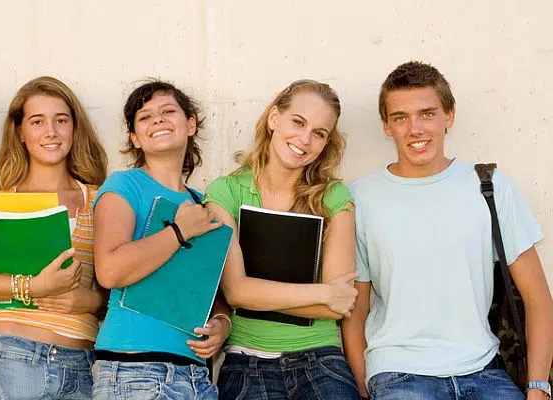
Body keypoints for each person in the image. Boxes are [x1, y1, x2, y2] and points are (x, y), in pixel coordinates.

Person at [346, 60, 553, 400]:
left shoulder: (489, 186)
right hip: (398, 375)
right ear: (387, 125)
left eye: (427, 113)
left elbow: (538, 298)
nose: (415, 128)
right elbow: (356, 310)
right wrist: (362, 386)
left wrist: (538, 387)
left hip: (484, 373)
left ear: (449, 116)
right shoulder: (361, 197)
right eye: (400, 117)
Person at [0, 76, 109, 399]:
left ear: (75, 127)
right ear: (20, 131)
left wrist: (92, 301)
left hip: (83, 366)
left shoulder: (102, 201)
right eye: (37, 121)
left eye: (61, 120)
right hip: (13, 360)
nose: (51, 132)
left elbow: (122, 288)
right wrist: (30, 287)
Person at [204, 79, 361, 399]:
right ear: (274, 118)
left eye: (319, 133)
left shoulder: (334, 196)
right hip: (246, 363)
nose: (305, 139)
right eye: (298, 122)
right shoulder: (226, 192)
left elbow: (339, 305)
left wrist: (261, 294)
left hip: (321, 361)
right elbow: (236, 292)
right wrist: (322, 292)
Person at [91, 80, 231, 399]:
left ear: (190, 124)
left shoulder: (200, 203)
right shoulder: (125, 186)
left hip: (195, 373)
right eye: (145, 117)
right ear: (134, 139)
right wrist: (179, 231)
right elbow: (110, 271)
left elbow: (209, 288)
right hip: (134, 368)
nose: (158, 119)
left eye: (168, 111)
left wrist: (222, 323)